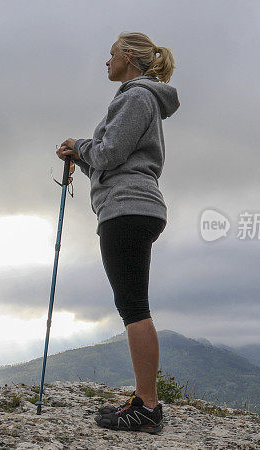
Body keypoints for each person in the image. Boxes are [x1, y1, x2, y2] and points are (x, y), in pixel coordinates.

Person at [55, 31, 179, 434]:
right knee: (133, 305)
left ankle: (148, 405)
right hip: (135, 205)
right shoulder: (142, 99)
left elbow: (108, 153)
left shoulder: (136, 96)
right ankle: (145, 400)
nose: (106, 62)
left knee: (133, 307)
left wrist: (80, 144)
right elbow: (111, 161)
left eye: (110, 55)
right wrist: (82, 156)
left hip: (126, 209)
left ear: (128, 56)